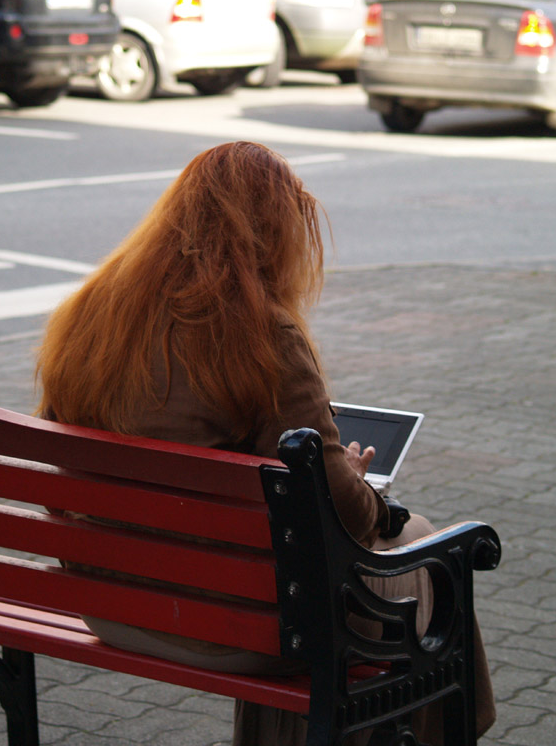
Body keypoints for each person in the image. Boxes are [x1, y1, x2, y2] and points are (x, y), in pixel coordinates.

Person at [34, 141, 494, 744]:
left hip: (110, 602)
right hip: (233, 625)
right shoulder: (260, 334)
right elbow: (347, 520)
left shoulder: (92, 313)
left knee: (297, 566)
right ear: (275, 233)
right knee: (432, 552)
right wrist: (363, 489)